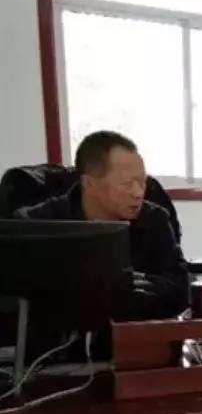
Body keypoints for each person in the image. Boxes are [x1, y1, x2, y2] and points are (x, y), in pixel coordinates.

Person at [14, 131, 188, 322]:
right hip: (59, 335)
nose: (138, 193)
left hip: (131, 333)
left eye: (142, 182)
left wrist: (131, 293)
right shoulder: (39, 223)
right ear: (89, 183)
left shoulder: (155, 219)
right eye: (127, 184)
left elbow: (180, 290)